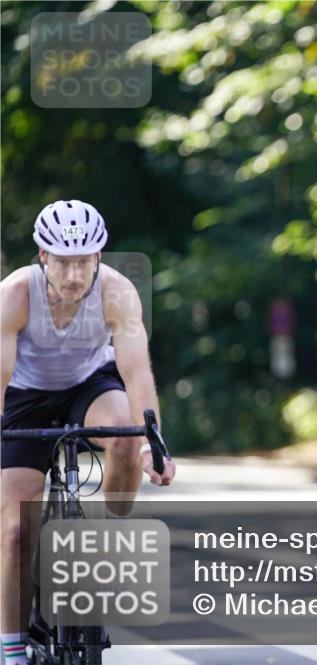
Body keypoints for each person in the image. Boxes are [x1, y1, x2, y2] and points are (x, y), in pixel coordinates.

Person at [0, 200, 176, 665]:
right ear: (43, 255)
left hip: (88, 383)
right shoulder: (15, 294)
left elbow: (136, 373)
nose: (74, 275)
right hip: (24, 395)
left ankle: (113, 533)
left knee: (124, 432)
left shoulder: (117, 292)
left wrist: (152, 447)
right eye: (63, 261)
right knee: (17, 530)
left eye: (84, 261)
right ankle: (12, 647)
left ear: (98, 257)